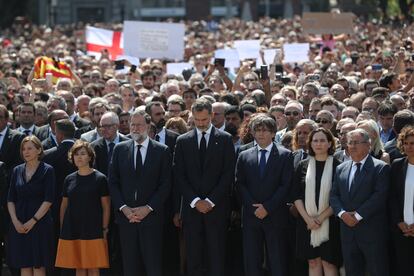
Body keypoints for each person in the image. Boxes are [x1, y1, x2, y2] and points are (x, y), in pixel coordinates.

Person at [174, 99, 236, 276]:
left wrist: (210, 201)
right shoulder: (183, 141)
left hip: (216, 210)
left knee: (216, 257)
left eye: (204, 120)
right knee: (193, 258)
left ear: (212, 116)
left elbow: (228, 173)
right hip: (192, 210)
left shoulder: (224, 140)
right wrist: (195, 201)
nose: (201, 124)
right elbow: (179, 175)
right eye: (197, 120)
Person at [108, 110, 172, 276]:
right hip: (126, 219)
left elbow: (165, 185)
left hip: (151, 219)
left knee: (153, 266)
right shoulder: (120, 149)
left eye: (139, 125)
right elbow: (113, 182)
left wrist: (148, 208)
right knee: (130, 267)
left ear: (148, 126)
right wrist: (124, 208)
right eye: (132, 124)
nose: (135, 128)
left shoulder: (162, 151)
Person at [235, 115, 293, 276]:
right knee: (252, 261)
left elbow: (285, 185)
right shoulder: (244, 155)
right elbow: (239, 183)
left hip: (275, 215)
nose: (261, 134)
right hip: (251, 216)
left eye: (265, 130)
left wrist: (267, 207)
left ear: (274, 133)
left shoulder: (285, 155)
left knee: (277, 261)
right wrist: (253, 207)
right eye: (257, 130)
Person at [330, 129, 390, 276]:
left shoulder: (380, 168)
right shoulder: (341, 168)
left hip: (372, 232)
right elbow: (334, 196)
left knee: (377, 270)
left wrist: (357, 216)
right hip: (347, 232)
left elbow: (379, 197)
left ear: (368, 145)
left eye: (356, 143)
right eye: (350, 143)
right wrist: (343, 214)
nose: (352, 146)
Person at [55, 140, 110, 275]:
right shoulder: (69, 179)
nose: (79, 157)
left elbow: (106, 206)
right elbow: (64, 206)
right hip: (73, 228)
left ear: (90, 157)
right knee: (78, 266)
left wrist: (104, 229)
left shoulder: (100, 178)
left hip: (94, 229)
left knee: (93, 266)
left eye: (83, 154)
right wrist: (63, 228)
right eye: (76, 154)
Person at [293, 128, 342, 276]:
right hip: (306, 223)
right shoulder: (302, 165)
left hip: (329, 222)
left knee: (329, 262)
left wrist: (320, 219)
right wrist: (308, 219)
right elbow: (296, 196)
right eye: (315, 140)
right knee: (313, 262)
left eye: (322, 140)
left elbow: (339, 197)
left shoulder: (338, 166)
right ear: (310, 143)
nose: (318, 144)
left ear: (329, 144)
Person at [7, 136, 55, 276]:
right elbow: (10, 199)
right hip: (19, 223)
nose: (26, 152)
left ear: (39, 150)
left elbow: (49, 199)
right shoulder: (17, 170)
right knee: (24, 265)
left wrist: (33, 220)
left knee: (38, 266)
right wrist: (15, 222)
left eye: (29, 148)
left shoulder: (48, 170)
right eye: (23, 149)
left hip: (40, 223)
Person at [389, 126, 414, 276]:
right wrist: (399, 222)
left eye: (413, 143)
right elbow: (392, 197)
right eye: (406, 143)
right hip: (401, 230)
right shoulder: (397, 165)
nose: (409, 147)